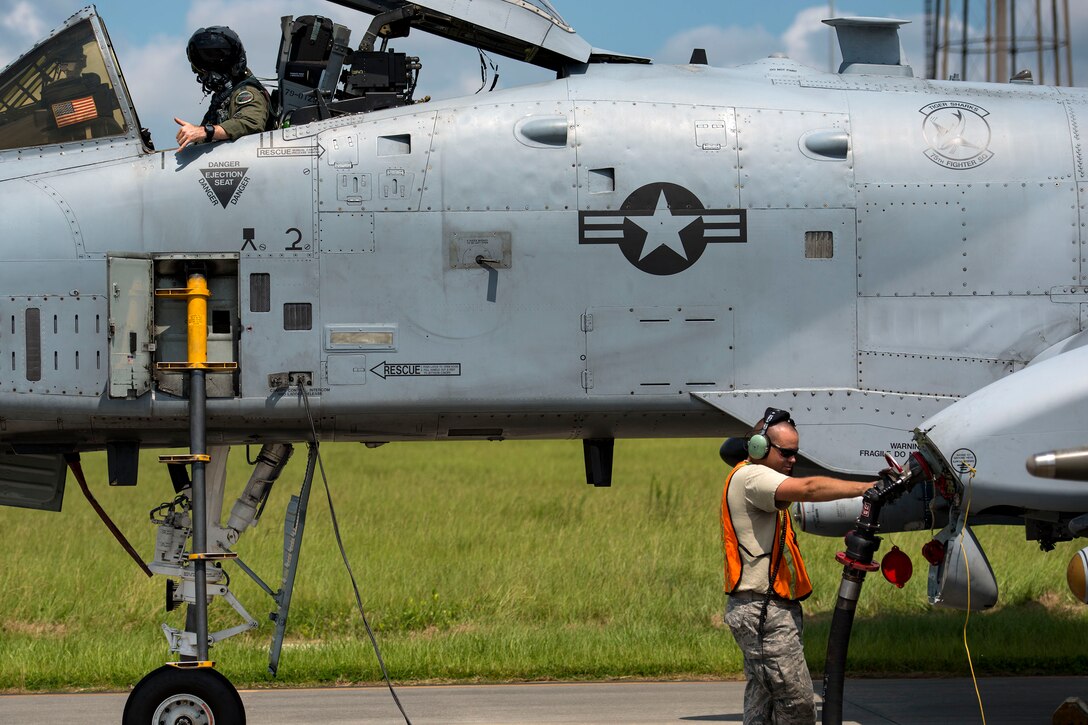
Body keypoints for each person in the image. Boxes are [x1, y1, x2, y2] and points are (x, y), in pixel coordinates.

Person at [720, 407, 876, 724]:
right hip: (763, 613)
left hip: (763, 608)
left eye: (795, 453)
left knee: (761, 705)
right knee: (798, 704)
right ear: (758, 448)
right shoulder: (752, 477)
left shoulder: (756, 478)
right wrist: (864, 487)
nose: (793, 460)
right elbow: (808, 489)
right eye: (786, 453)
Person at [175, 26, 271, 151]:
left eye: (204, 73)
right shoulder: (224, 97)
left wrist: (205, 131)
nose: (203, 77)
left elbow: (250, 123)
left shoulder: (246, 92)